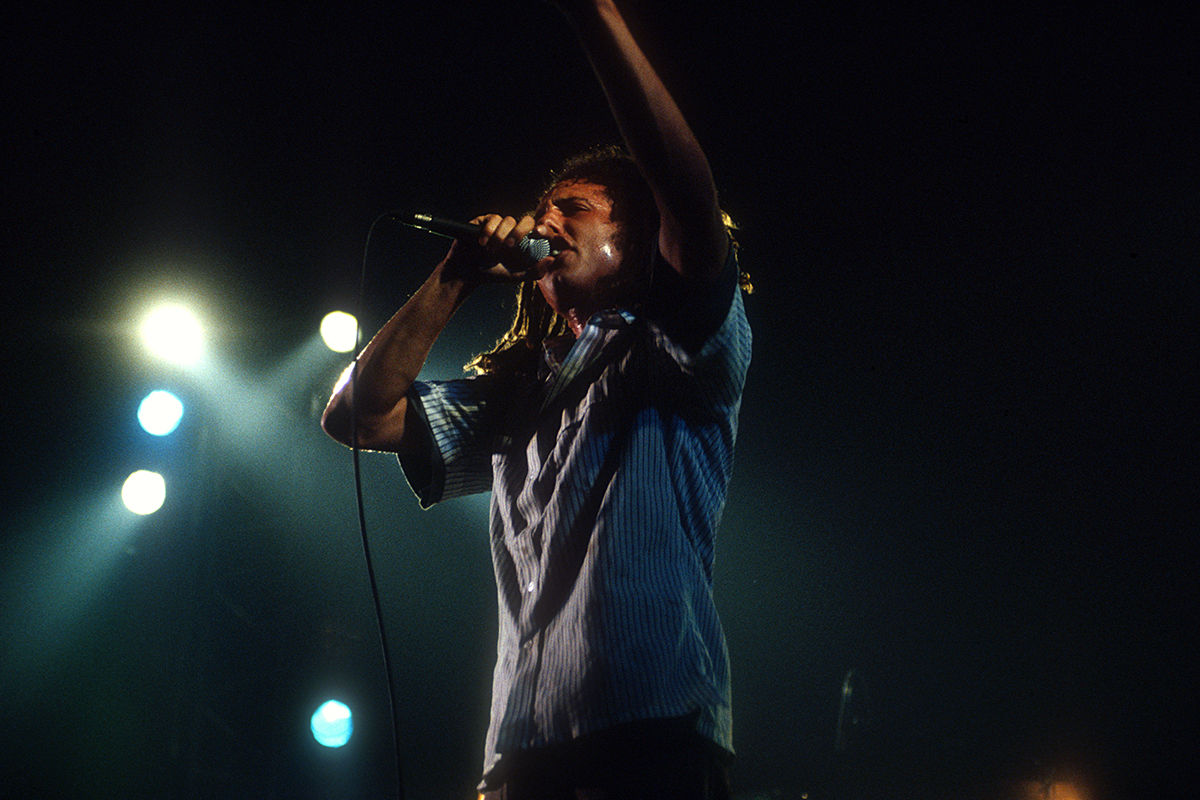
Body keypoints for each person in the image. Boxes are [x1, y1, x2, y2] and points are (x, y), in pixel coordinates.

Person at [321, 1, 751, 797]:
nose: (548, 223)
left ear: (638, 234)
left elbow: (687, 193)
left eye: (575, 211)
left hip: (650, 731)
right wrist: (454, 275)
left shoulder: (675, 348)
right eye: (545, 211)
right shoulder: (521, 393)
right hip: (523, 750)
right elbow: (357, 416)